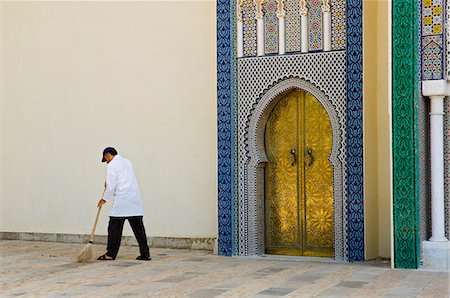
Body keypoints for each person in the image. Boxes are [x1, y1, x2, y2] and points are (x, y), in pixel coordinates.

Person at [97, 147, 151, 261]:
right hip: (134, 199)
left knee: (114, 228)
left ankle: (110, 254)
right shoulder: (128, 162)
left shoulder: (112, 165)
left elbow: (111, 185)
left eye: (105, 158)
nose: (106, 161)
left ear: (108, 155)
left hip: (122, 200)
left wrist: (104, 198)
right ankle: (145, 254)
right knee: (139, 229)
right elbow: (124, 178)